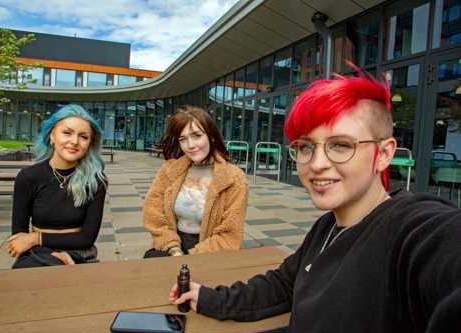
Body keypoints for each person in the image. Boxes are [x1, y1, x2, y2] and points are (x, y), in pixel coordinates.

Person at [169, 70, 461, 332]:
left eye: (340, 145)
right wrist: (207, 297)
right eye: (306, 147)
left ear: (383, 154)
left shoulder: (413, 229)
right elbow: (283, 285)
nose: (317, 163)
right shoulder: (326, 228)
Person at [8, 104, 107, 268]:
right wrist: (45, 251)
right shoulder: (28, 177)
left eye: (84, 137)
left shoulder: (96, 181)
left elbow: (87, 238)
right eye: (67, 133)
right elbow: (18, 239)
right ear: (52, 135)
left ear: (90, 143)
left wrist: (35, 238)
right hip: (37, 254)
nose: (74, 141)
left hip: (80, 254)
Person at [143, 106, 248, 257]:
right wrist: (173, 248)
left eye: (197, 136)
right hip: (172, 248)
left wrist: (191, 258)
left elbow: (229, 234)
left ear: (211, 136)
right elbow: (153, 213)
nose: (190, 145)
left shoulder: (233, 178)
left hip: (211, 254)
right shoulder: (169, 170)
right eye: (183, 139)